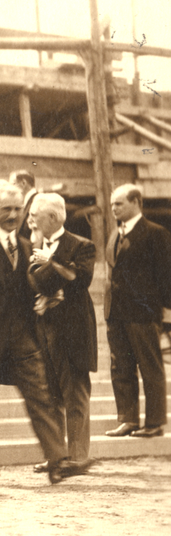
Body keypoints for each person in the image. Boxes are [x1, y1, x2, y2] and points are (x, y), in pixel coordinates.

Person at [0, 181, 81, 485]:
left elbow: (34, 285)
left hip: (22, 339)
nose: (13, 215)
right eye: (6, 209)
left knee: (40, 398)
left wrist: (44, 298)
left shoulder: (27, 247)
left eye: (18, 209)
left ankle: (57, 462)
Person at [26, 193, 98, 472]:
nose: (31, 220)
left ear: (53, 217)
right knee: (49, 395)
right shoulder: (32, 245)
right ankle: (56, 456)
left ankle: (77, 458)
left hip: (73, 331)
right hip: (43, 329)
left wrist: (51, 261)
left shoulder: (82, 245)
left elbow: (80, 280)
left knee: (75, 394)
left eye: (35, 215)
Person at [103, 184, 171, 438]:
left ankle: (154, 422)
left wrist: (166, 313)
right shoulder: (115, 234)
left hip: (143, 313)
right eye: (112, 204)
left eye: (119, 203)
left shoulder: (155, 233)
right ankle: (128, 419)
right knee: (120, 367)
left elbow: (166, 276)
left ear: (136, 202)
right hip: (116, 313)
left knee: (150, 367)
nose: (114, 208)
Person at [11, 170, 38, 241]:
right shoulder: (26, 201)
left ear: (23, 183)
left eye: (13, 184)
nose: (11, 189)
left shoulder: (37, 201)